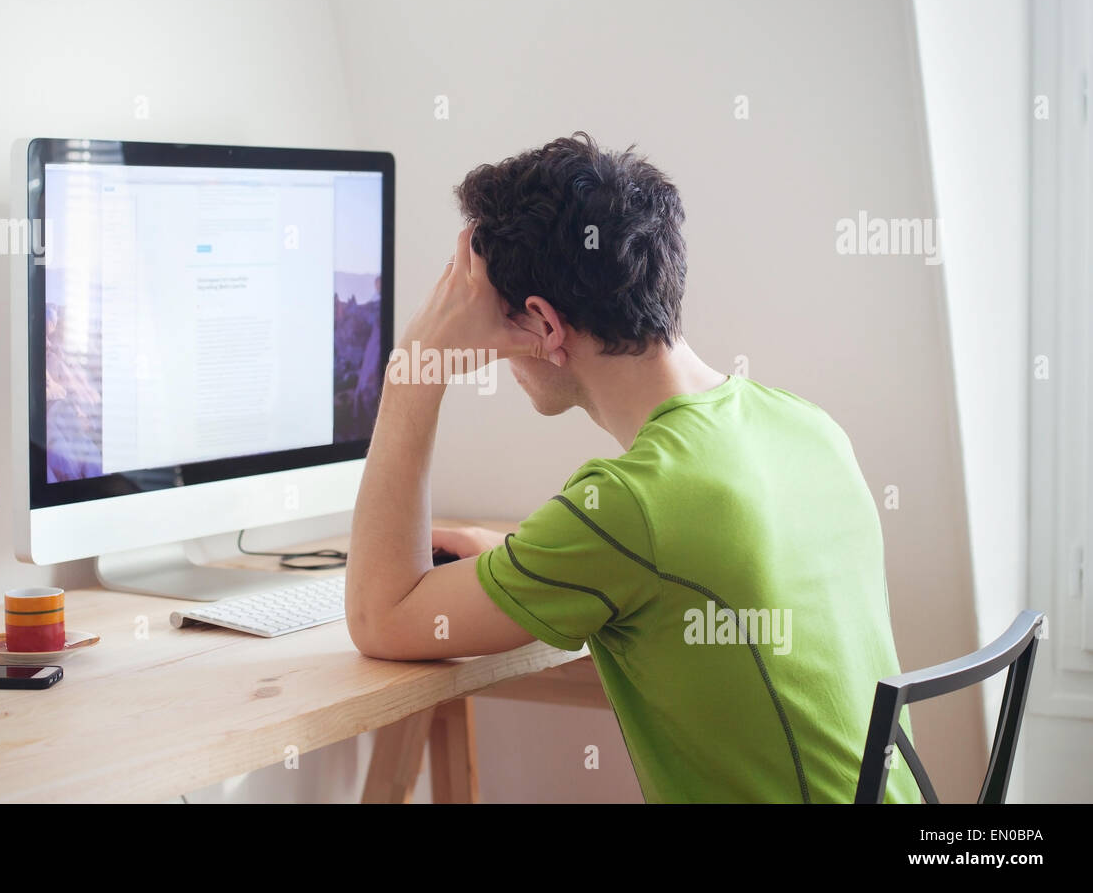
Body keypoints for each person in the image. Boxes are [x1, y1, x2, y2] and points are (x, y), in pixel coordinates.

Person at [344, 132, 920, 803]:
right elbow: (678, 564)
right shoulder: (806, 427)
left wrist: (413, 370)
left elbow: (378, 618)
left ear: (541, 324)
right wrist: (508, 557)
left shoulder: (628, 508)